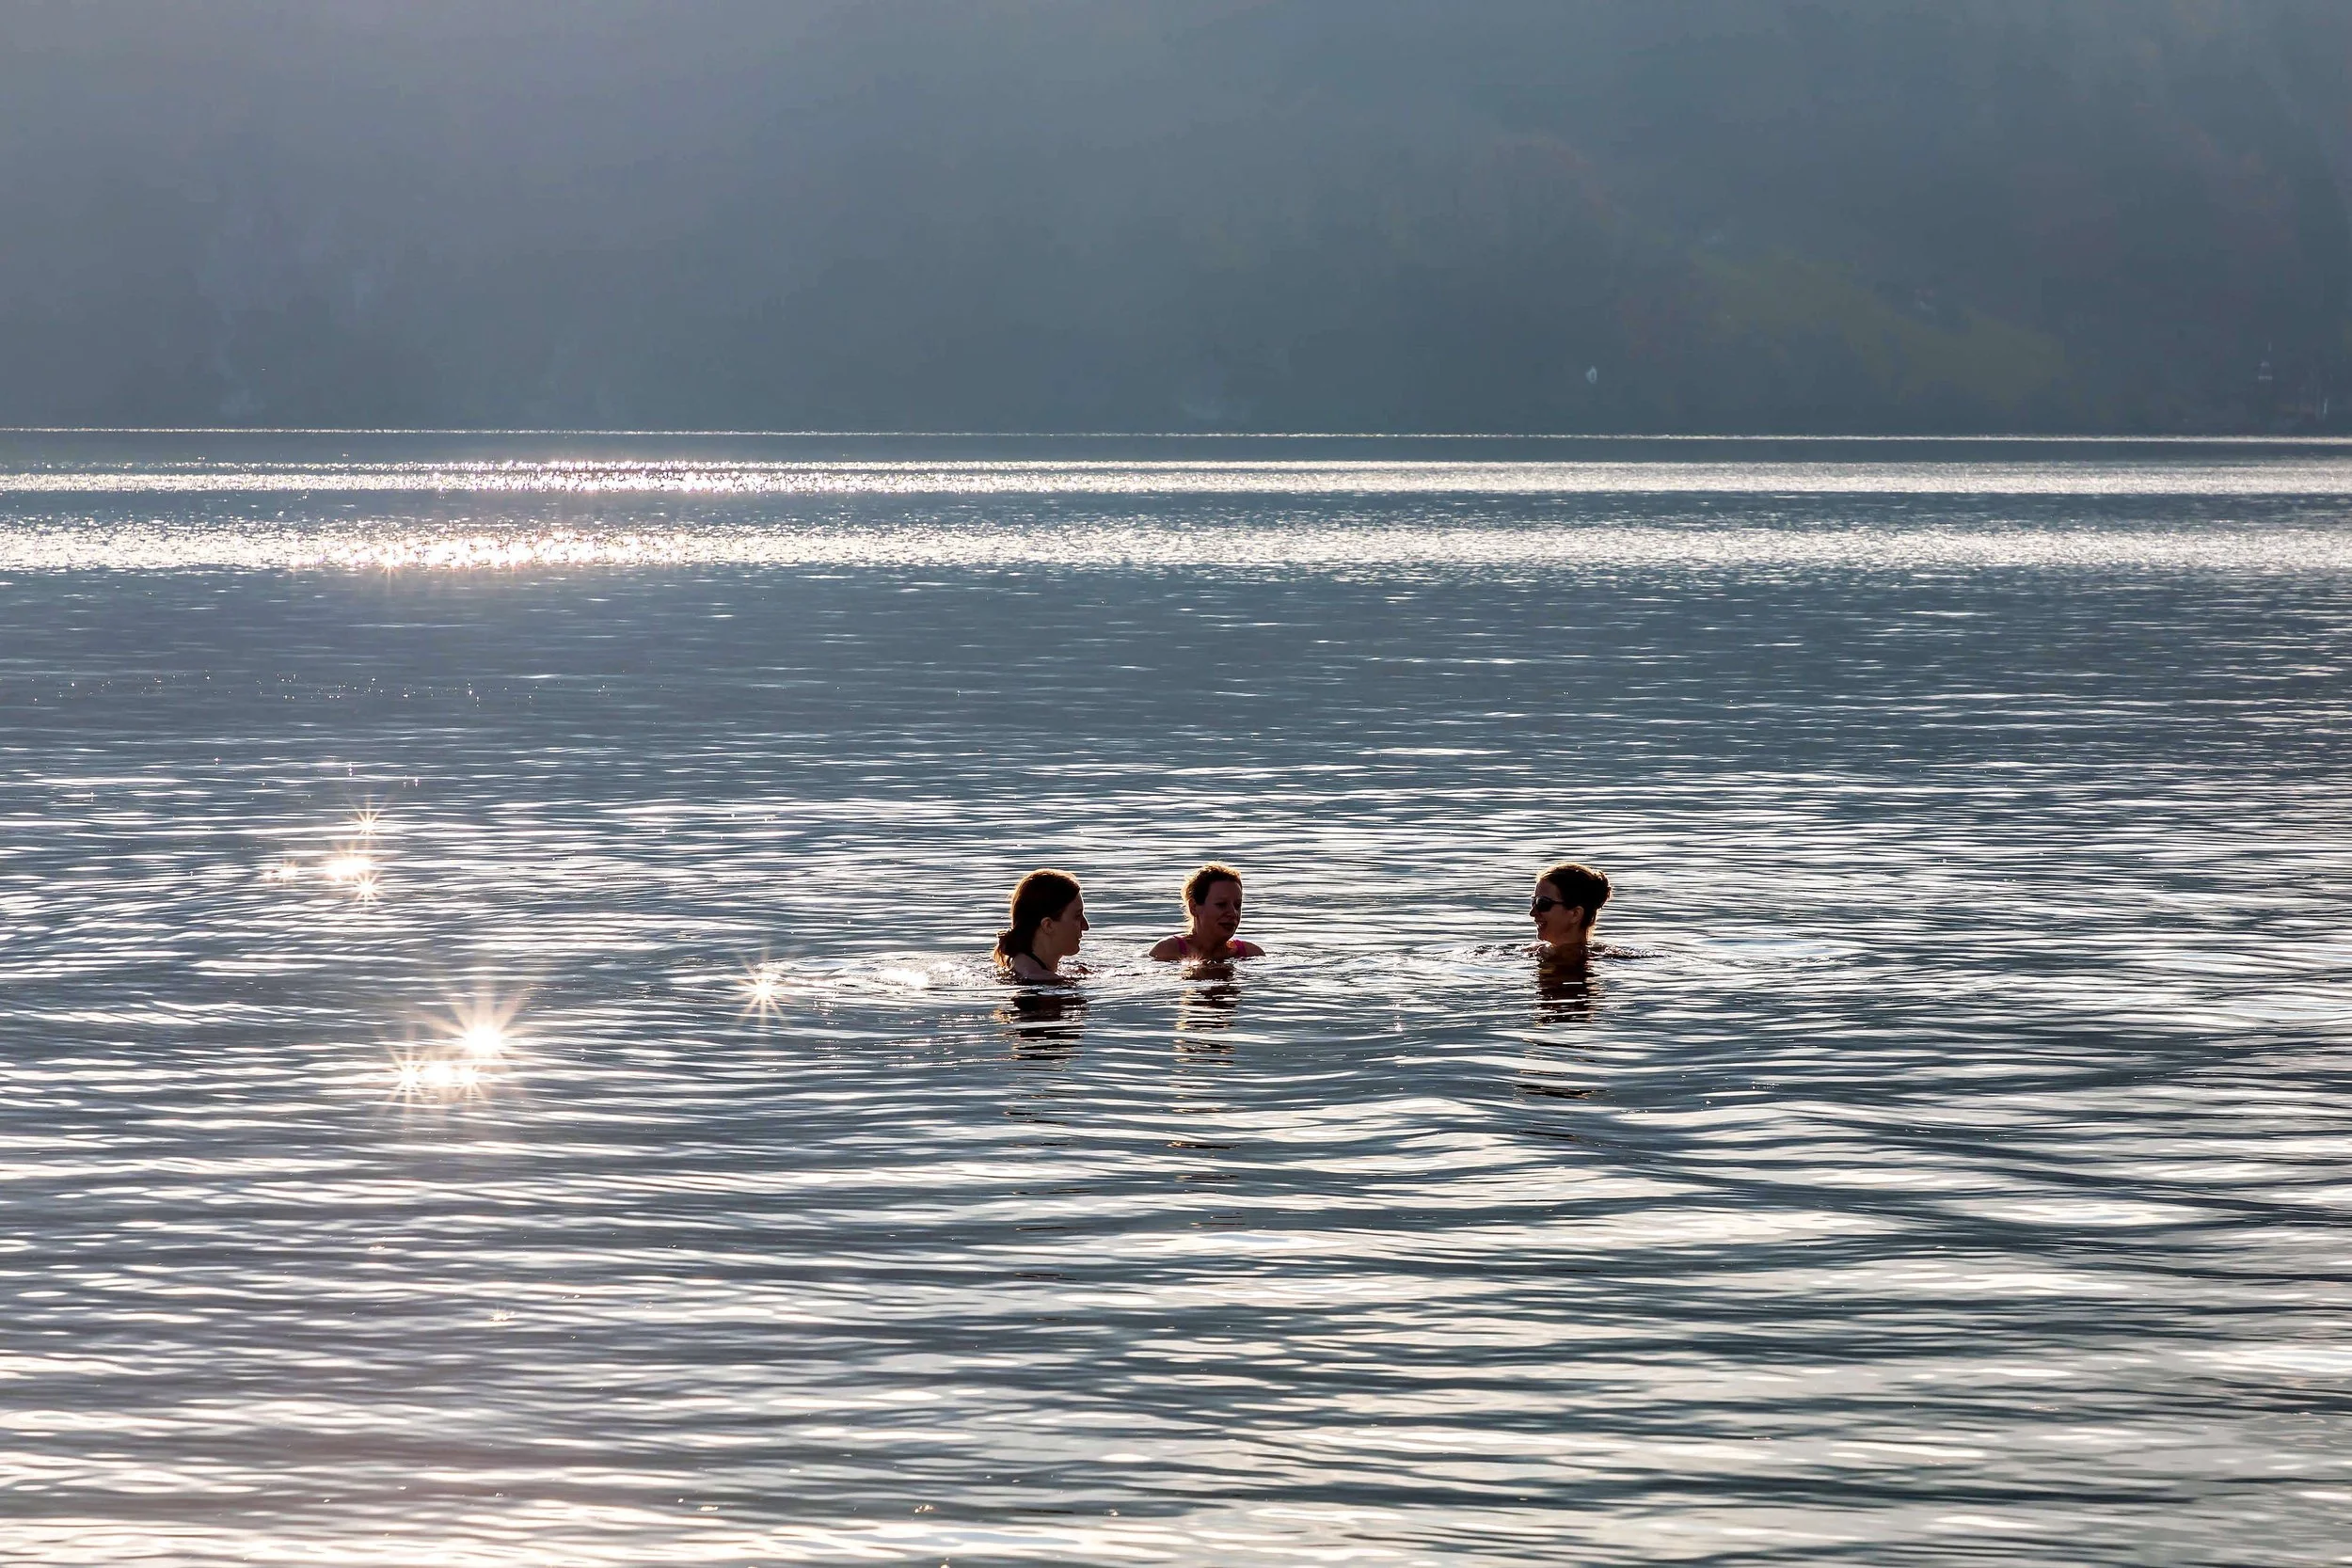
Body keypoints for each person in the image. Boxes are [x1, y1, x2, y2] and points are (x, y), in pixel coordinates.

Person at [1151, 863, 1264, 962]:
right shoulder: (1169, 950)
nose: (1233, 913)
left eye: (1237, 905)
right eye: (1221, 904)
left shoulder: (1251, 953)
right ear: (1194, 907)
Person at [996, 868, 1089, 983]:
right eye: (1077, 916)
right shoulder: (1046, 981)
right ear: (1048, 925)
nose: (1086, 926)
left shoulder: (1016, 965)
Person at [1530, 861, 1610, 967]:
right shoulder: (1534, 950)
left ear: (1575, 914)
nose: (1532, 913)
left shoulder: (1589, 958)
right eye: (1533, 901)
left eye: (1542, 903)